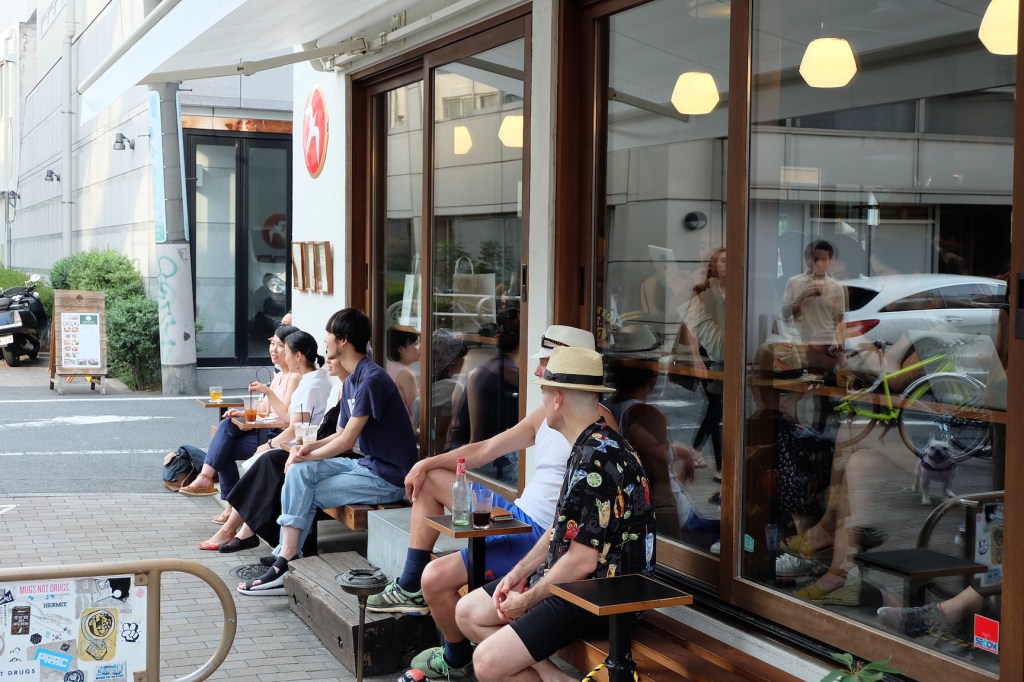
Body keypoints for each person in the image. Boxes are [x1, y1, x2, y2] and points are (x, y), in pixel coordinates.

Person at [366, 325, 611, 681]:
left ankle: (457, 656)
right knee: (431, 481)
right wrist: (426, 462)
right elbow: (484, 449)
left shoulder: (599, 431)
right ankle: (413, 591)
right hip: (522, 518)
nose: (538, 370)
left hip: (545, 535)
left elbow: (583, 525)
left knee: (435, 579)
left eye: (546, 362)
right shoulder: (548, 415)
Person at [455, 346, 656, 682]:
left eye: (544, 392)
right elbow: (561, 528)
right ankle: (554, 677)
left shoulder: (597, 458)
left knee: (488, 663)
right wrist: (519, 572)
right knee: (468, 612)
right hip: (577, 583)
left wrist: (530, 597)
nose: (542, 400)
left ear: (558, 398)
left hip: (602, 595)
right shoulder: (590, 444)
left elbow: (582, 562)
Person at [238, 308, 418, 596]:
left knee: (302, 481)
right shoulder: (352, 380)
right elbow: (336, 434)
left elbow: (347, 440)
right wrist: (304, 450)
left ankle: (285, 562)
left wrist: (304, 453)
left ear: (343, 340)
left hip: (389, 478)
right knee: (298, 470)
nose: (324, 341)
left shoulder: (371, 379)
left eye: (329, 336)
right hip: (368, 467)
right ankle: (287, 557)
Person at [202, 349, 350, 555]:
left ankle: (242, 530)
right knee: (265, 459)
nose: (326, 362)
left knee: (271, 462)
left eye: (333, 357)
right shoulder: (335, 387)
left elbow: (340, 437)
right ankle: (241, 530)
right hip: (314, 445)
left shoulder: (317, 384)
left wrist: (302, 449)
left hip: (335, 453)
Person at [179, 324, 299, 504]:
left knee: (222, 451)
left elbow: (286, 417)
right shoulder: (279, 375)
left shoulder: (295, 377)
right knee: (227, 424)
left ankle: (226, 500)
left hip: (276, 436)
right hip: (264, 431)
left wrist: (268, 392)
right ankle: (215, 487)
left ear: (292, 348)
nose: (273, 349)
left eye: (280, 345)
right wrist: (242, 413)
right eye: (272, 343)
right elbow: (265, 410)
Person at [778, 240, 847, 431]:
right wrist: (802, 297)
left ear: (830, 261)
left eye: (824, 260)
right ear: (807, 260)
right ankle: (793, 434)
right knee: (795, 393)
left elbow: (839, 321)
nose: (820, 264)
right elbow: (784, 314)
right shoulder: (795, 282)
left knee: (822, 396)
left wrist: (840, 349)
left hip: (825, 345)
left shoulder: (835, 287)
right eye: (816, 259)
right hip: (801, 345)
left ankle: (819, 438)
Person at [677, 247, 726, 477]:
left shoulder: (738, 289)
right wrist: (695, 358)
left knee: (716, 408)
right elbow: (692, 326)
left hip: (729, 355)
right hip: (710, 356)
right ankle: (720, 466)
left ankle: (697, 449)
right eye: (721, 261)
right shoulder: (706, 290)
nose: (726, 265)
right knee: (716, 406)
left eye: (729, 260)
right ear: (714, 265)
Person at [425, 328, 468, 454]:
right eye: (463, 356)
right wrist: (436, 459)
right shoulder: (453, 388)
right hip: (439, 449)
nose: (467, 359)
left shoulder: (429, 382)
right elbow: (442, 431)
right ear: (452, 361)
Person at [387, 325, 421, 422]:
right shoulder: (406, 374)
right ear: (401, 349)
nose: (420, 347)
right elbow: (416, 412)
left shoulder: (388, 367)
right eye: (416, 343)